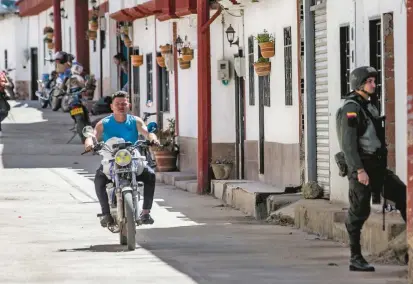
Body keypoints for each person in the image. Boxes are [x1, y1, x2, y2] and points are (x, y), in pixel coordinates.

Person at [335, 66, 407, 272]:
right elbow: (348, 145)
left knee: (402, 194)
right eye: (370, 81)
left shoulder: (368, 106)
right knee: (359, 211)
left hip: (376, 167)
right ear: (359, 84)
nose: (374, 85)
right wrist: (359, 170)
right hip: (362, 167)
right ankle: (355, 257)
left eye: (374, 81)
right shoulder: (351, 109)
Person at [84, 91, 159, 227]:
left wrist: (153, 139)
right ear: (111, 106)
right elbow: (93, 135)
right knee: (99, 179)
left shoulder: (135, 121)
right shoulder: (103, 123)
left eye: (123, 103)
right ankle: (106, 214)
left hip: (132, 157)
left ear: (128, 105)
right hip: (111, 157)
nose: (121, 106)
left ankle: (146, 212)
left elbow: (147, 133)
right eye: (117, 104)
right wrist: (89, 143)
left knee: (150, 175)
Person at [0, 71, 11, 137]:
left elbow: (9, 84)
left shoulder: (1, 74)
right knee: (4, 110)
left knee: (5, 110)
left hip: (1, 95)